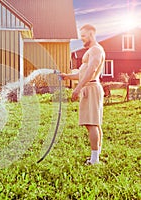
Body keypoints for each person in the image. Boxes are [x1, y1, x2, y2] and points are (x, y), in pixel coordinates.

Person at [60, 24, 105, 165]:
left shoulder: (96, 50)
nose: (82, 39)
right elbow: (82, 73)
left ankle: (94, 160)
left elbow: (91, 70)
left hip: (90, 87)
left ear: (91, 35)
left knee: (92, 124)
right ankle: (95, 157)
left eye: (84, 36)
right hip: (89, 86)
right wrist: (67, 76)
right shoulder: (92, 50)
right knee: (93, 124)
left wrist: (78, 88)